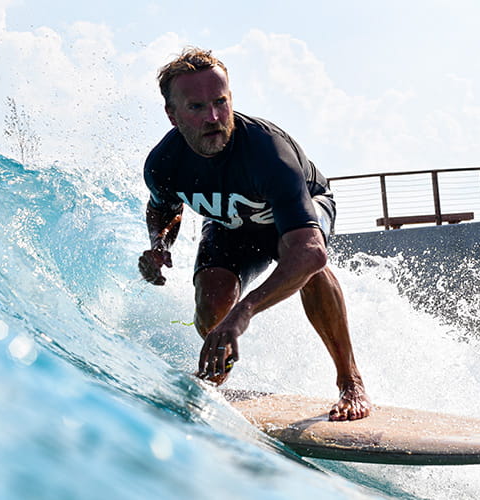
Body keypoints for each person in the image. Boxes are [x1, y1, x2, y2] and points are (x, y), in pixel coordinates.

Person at [138, 47, 371, 421]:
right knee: (211, 302)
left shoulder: (267, 151)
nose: (214, 117)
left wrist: (243, 313)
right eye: (196, 107)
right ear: (172, 115)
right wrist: (159, 244)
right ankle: (215, 376)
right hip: (230, 224)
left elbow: (311, 251)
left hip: (296, 215)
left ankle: (350, 381)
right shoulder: (163, 164)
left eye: (220, 102)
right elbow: (164, 208)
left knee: (309, 269)